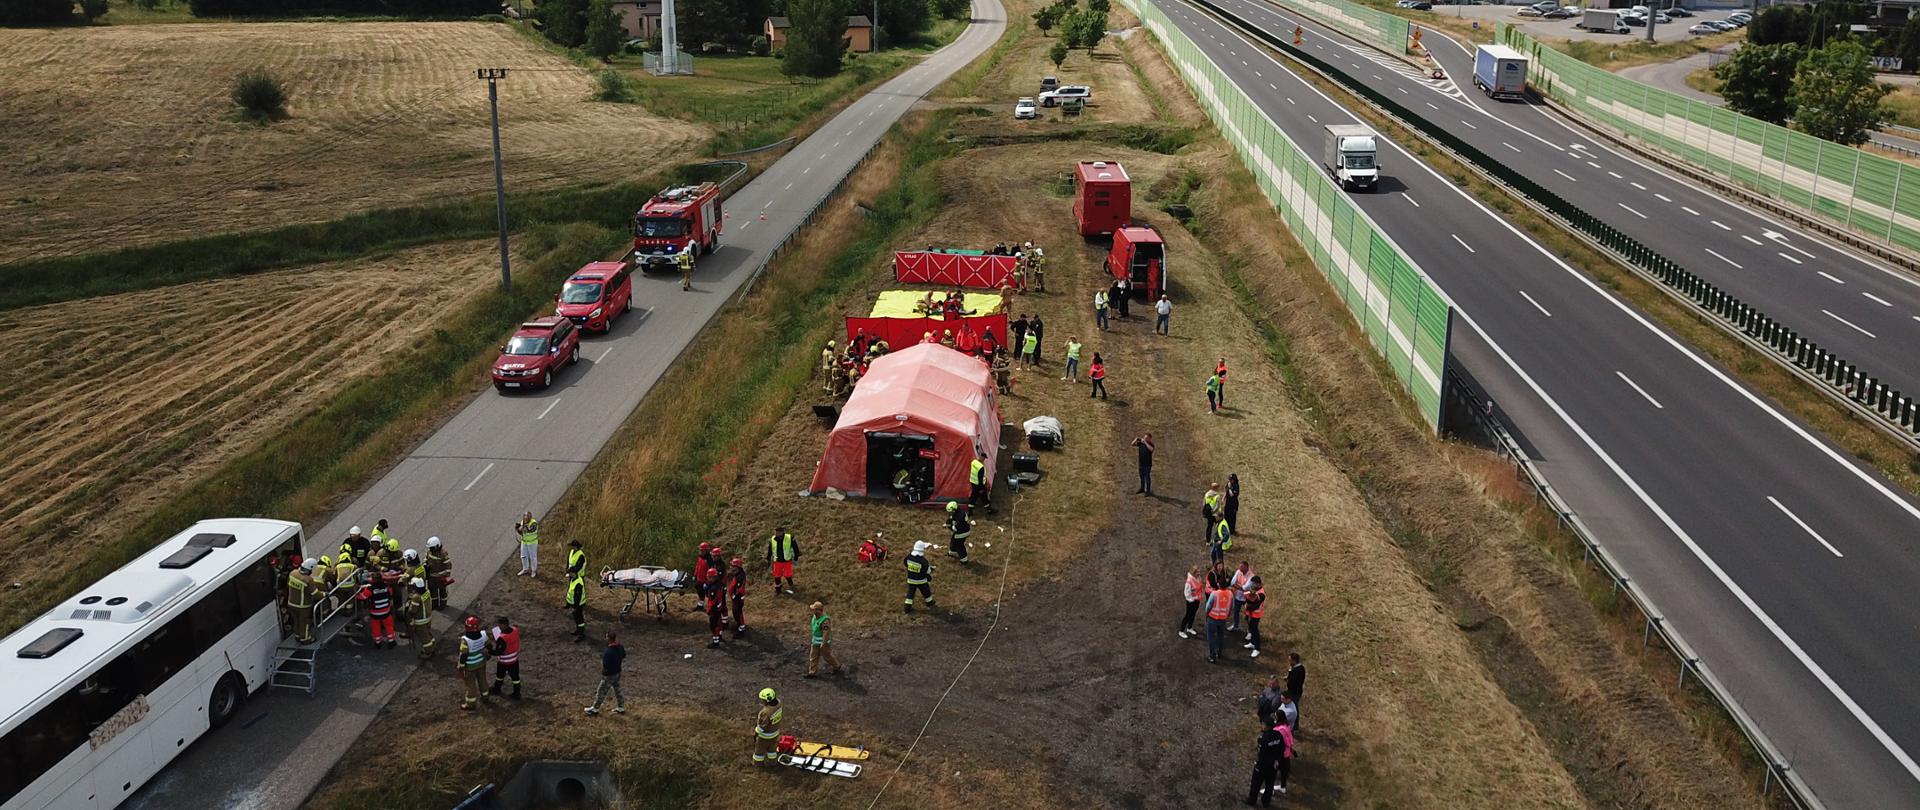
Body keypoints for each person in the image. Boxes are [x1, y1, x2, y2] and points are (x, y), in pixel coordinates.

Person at [1247, 719, 1295, 806]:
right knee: (1269, 785)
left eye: (1263, 724)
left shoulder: (1263, 738)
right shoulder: (1278, 735)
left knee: (1256, 784)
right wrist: (1277, 760)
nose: (1262, 726)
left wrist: (1257, 764)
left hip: (1262, 766)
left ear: (1267, 726)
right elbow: (1282, 749)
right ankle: (1266, 802)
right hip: (1273, 765)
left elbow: (1261, 753)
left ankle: (1252, 801)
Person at [585, 632, 626, 715]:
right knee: (618, 690)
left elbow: (606, 665)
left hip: (609, 675)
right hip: (618, 672)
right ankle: (621, 707)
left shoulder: (608, 651)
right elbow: (624, 655)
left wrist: (604, 672)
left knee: (601, 691)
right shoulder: (620, 647)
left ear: (609, 638)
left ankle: (595, 709)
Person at [458, 616, 490, 710]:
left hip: (470, 666)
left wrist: (461, 666)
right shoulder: (484, 634)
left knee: (470, 685)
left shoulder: (465, 640)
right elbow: (489, 646)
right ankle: (485, 697)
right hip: (481, 663)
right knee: (483, 680)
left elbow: (463, 655)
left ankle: (470, 704)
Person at [358, 573, 397, 649]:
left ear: (373, 580)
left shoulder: (370, 589)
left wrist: (356, 592)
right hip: (386, 611)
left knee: (376, 628)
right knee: (389, 626)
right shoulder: (387, 586)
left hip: (375, 613)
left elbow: (362, 597)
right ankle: (391, 641)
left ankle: (378, 642)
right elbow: (390, 594)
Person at [488, 616, 523, 699]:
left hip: (504, 661)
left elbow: (499, 651)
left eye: (499, 625)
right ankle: (517, 693)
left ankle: (497, 689)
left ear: (504, 625)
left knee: (500, 676)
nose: (499, 627)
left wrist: (489, 651)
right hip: (514, 659)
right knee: (515, 678)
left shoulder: (502, 638)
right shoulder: (515, 630)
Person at [806, 601, 842, 678]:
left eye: (815, 609)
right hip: (815, 642)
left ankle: (837, 666)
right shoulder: (814, 617)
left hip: (823, 643)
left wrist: (824, 643)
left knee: (827, 656)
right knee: (813, 656)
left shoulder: (825, 620)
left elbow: (826, 633)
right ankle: (812, 672)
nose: (813, 611)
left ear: (819, 610)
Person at [287, 560, 319, 644]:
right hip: (303, 606)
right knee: (304, 622)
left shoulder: (292, 573)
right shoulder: (308, 579)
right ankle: (305, 639)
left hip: (291, 603)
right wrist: (325, 594)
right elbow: (315, 594)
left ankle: (297, 635)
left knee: (296, 620)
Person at [1204, 579, 1234, 663]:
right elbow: (1232, 606)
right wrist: (1227, 615)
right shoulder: (1230, 594)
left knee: (1211, 637)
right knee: (1221, 636)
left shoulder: (1215, 593)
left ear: (1219, 584)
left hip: (1212, 618)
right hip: (1223, 619)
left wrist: (1207, 614)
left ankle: (1212, 656)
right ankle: (1219, 653)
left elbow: (1208, 607)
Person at [406, 578, 436, 660]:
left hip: (420, 621)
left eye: (412, 586)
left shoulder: (416, 597)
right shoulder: (427, 592)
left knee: (424, 637)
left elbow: (413, 610)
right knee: (428, 633)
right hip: (427, 618)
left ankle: (428, 652)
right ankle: (432, 645)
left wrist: (409, 605)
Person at [752, 687, 784, 763]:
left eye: (763, 700)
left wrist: (756, 733)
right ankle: (773, 762)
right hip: (775, 732)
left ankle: (758, 763)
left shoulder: (766, 712)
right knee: (772, 749)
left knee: (759, 751)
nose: (762, 701)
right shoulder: (779, 704)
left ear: (767, 700)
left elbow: (762, 726)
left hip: (765, 736)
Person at [766, 524, 799, 595]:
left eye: (778, 532)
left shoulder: (790, 538)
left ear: (782, 532)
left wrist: (796, 557)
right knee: (777, 576)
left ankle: (791, 584)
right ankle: (778, 589)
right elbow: (770, 550)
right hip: (777, 561)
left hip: (787, 560)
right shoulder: (773, 539)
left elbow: (796, 548)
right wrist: (768, 559)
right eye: (776, 532)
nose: (776, 533)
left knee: (788, 575)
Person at [904, 541, 935, 613]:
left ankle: (907, 607)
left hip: (911, 579)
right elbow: (927, 571)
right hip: (921, 580)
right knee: (926, 591)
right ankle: (929, 602)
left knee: (910, 593)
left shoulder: (908, 557)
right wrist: (930, 570)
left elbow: (906, 563)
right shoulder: (923, 561)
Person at [424, 536, 452, 609]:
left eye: (432, 548)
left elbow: (448, 566)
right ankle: (434, 604)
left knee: (442, 591)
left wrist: (444, 575)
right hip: (431, 576)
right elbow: (426, 559)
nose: (430, 549)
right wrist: (425, 565)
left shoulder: (443, 554)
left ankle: (443, 604)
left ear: (437, 546)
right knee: (432, 591)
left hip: (440, 577)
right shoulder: (429, 552)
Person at [1243, 576, 1267, 658]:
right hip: (1251, 613)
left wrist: (1248, 607)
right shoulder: (1254, 591)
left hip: (1257, 614)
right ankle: (1252, 643)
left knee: (1255, 630)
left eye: (1254, 583)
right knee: (1251, 628)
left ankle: (1257, 648)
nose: (1252, 585)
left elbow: (1256, 605)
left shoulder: (1261, 594)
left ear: (1258, 584)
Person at [1178, 565, 1204, 639]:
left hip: (1197, 600)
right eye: (1197, 572)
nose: (1199, 573)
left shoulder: (1199, 578)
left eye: (1199, 572)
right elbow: (1187, 593)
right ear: (1193, 572)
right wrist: (1191, 600)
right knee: (1188, 615)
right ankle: (1181, 631)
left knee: (1193, 614)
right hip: (1191, 601)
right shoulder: (1189, 581)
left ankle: (1189, 628)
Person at [1228, 561, 1254, 631]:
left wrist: (1238, 586)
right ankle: (1235, 625)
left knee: (1248, 616)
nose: (1240, 569)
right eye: (1240, 567)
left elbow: (1246, 588)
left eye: (1242, 567)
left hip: (1246, 598)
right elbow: (1232, 582)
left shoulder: (1251, 576)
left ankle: (1250, 631)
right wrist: (1240, 587)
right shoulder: (1238, 572)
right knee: (1236, 612)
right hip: (1238, 596)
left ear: (1247, 567)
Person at [705, 572, 729, 648]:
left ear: (713, 577)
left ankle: (716, 642)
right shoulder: (719, 584)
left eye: (709, 577)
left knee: (713, 625)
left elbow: (712, 601)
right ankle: (719, 636)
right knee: (718, 623)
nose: (707, 578)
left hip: (714, 609)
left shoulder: (714, 588)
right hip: (718, 608)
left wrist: (709, 610)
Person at [726, 557, 749, 637]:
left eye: (733, 566)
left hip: (738, 598)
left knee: (738, 613)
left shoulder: (740, 577)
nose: (731, 568)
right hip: (736, 598)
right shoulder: (738, 574)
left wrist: (734, 596)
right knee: (736, 613)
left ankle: (741, 629)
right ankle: (739, 625)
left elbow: (739, 589)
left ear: (737, 567)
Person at [515, 512, 540, 577]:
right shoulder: (522, 522)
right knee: (523, 556)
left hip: (532, 543)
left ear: (529, 518)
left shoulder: (533, 523)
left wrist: (525, 527)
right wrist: (518, 529)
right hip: (524, 542)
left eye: (527, 518)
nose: (525, 519)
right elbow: (522, 533)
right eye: (524, 518)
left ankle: (533, 571)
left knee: (533, 557)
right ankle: (525, 569)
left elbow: (530, 530)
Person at [566, 571, 588, 643]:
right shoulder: (574, 579)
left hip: (578, 604)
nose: (569, 575)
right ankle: (578, 630)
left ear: (573, 573)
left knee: (579, 619)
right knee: (576, 617)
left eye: (570, 573)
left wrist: (575, 606)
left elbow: (577, 596)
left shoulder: (578, 583)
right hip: (575, 604)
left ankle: (581, 634)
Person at [1287, 653, 1307, 727]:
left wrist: (1290, 673)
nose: (1289, 662)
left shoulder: (1297, 671)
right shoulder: (1299, 668)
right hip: (1295, 691)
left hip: (1295, 692)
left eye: (1290, 660)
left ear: (1294, 661)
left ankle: (1295, 725)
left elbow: (1292, 681)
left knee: (1294, 708)